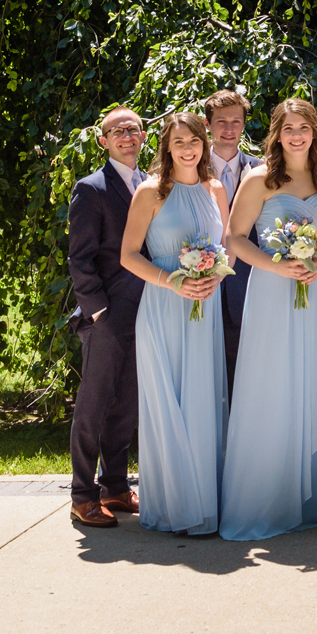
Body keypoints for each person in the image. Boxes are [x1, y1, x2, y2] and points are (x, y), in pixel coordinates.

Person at [219, 98, 317, 540]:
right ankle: (267, 498)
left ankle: (314, 501)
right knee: (272, 383)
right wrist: (278, 267)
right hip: (274, 292)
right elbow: (235, 239)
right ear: (276, 134)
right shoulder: (259, 180)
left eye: (304, 128)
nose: (297, 135)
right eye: (288, 128)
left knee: (314, 378)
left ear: (315, 132)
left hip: (316, 291)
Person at [117, 111, 232, 536]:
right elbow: (128, 255)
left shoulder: (215, 188)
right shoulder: (150, 191)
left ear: (204, 144)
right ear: (166, 146)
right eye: (179, 141)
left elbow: (228, 246)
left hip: (205, 304)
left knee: (203, 397)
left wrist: (215, 277)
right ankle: (173, 505)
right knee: (169, 400)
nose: (189, 148)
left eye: (195, 141)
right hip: (165, 304)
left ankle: (204, 502)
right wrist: (173, 282)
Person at [66, 107, 148, 528]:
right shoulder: (91, 188)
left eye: (133, 129)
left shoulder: (154, 185)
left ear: (144, 136)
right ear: (103, 141)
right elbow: (79, 259)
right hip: (107, 315)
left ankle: (115, 485)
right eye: (117, 131)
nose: (126, 136)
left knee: (127, 405)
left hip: (145, 312)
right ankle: (83, 495)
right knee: (94, 405)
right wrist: (98, 311)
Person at [203, 90, 262, 388]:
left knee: (246, 370)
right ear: (207, 125)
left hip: (249, 284)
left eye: (236, 122)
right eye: (221, 122)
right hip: (200, 283)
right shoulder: (189, 168)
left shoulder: (263, 170)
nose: (229, 129)